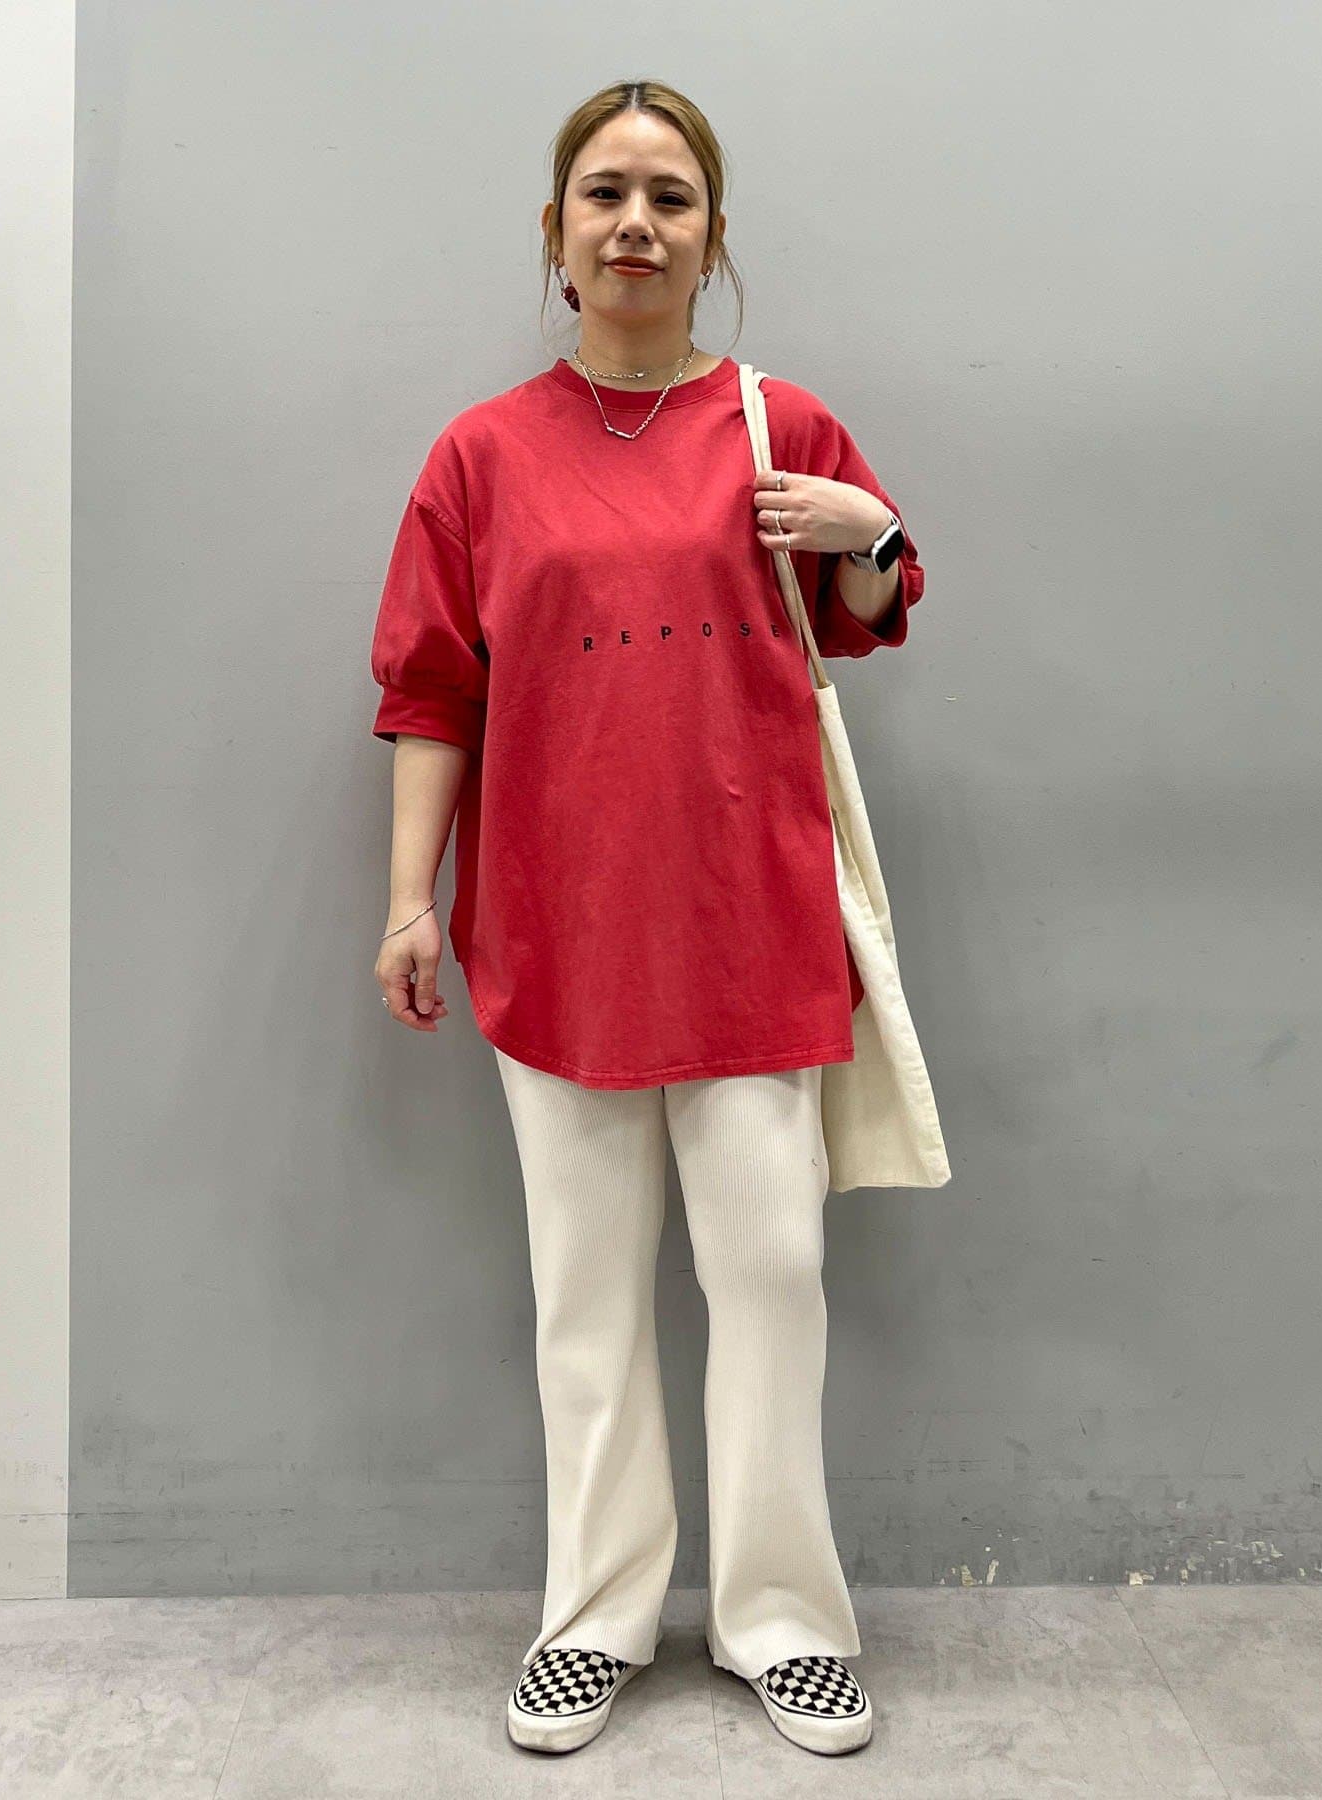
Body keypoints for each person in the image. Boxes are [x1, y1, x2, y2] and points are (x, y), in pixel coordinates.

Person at [369, 78, 924, 1758]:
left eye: (670, 198)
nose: (636, 224)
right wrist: (408, 901)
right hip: (555, 929)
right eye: (605, 194)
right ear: (555, 233)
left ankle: (781, 1619)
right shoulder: (480, 456)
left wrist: (876, 533)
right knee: (586, 1299)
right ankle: (595, 1616)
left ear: (712, 237)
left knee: (774, 1278)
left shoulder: (780, 422)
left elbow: (873, 602)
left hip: (749, 918)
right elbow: (432, 690)